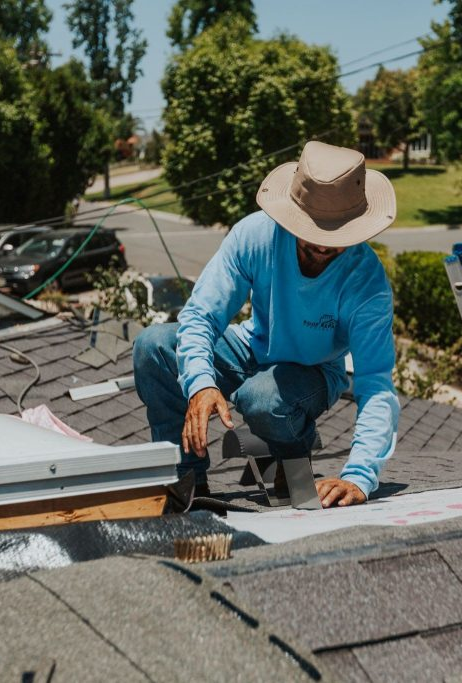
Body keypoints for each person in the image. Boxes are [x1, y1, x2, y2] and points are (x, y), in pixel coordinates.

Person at [133, 141, 399, 508]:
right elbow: (200, 316)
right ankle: (186, 479)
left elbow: (377, 386)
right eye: (314, 233)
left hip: (314, 372)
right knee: (154, 346)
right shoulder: (255, 236)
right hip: (251, 347)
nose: (323, 247)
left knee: (260, 399)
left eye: (334, 236)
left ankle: (294, 448)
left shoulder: (366, 284)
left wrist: (360, 476)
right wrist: (200, 383)